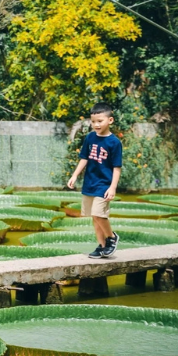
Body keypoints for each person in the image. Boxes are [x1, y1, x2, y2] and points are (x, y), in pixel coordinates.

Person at [67, 102, 122, 259]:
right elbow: (84, 158)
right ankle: (102, 246)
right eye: (93, 121)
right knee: (94, 217)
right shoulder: (90, 137)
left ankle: (111, 237)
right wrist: (75, 175)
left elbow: (117, 167)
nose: (96, 124)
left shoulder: (114, 142)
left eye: (100, 121)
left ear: (110, 120)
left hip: (104, 185)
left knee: (99, 214)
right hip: (89, 183)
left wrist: (112, 188)